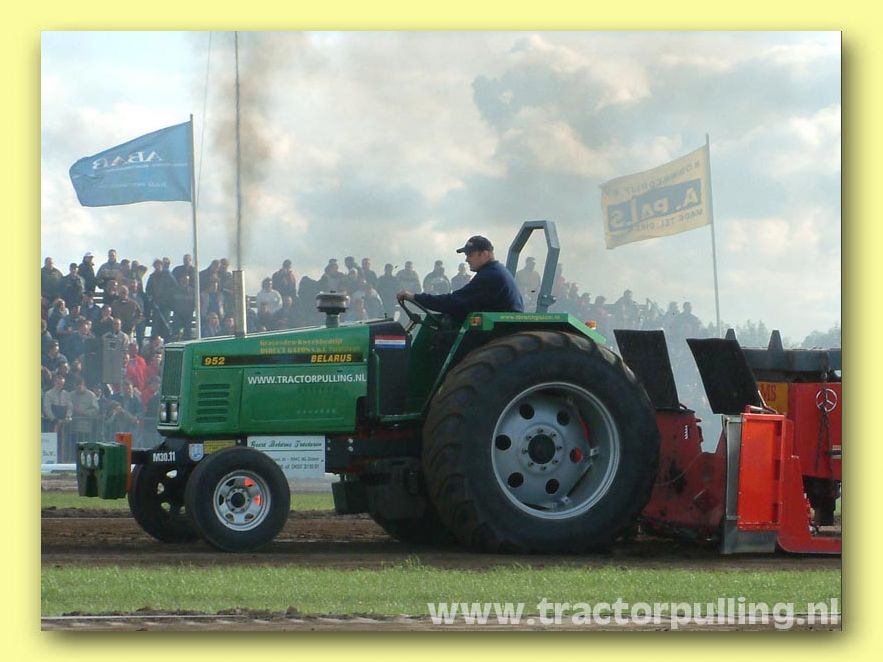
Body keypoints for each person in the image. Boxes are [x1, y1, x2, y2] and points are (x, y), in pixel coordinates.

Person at [397, 235, 523, 326]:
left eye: (470, 255)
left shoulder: (490, 276)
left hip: (498, 330)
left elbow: (454, 301)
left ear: (484, 254)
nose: (467, 259)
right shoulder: (495, 271)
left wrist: (415, 297)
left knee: (441, 340)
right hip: (499, 325)